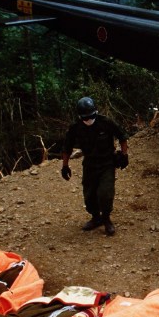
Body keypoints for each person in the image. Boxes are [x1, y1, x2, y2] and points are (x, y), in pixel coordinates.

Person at [61, 96, 129, 236]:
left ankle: (106, 219)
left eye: (90, 116)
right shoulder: (76, 128)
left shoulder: (106, 123)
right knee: (89, 195)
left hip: (107, 164)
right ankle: (95, 218)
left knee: (105, 192)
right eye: (85, 118)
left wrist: (124, 155)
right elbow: (67, 147)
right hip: (90, 164)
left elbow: (122, 137)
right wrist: (65, 166)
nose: (88, 120)